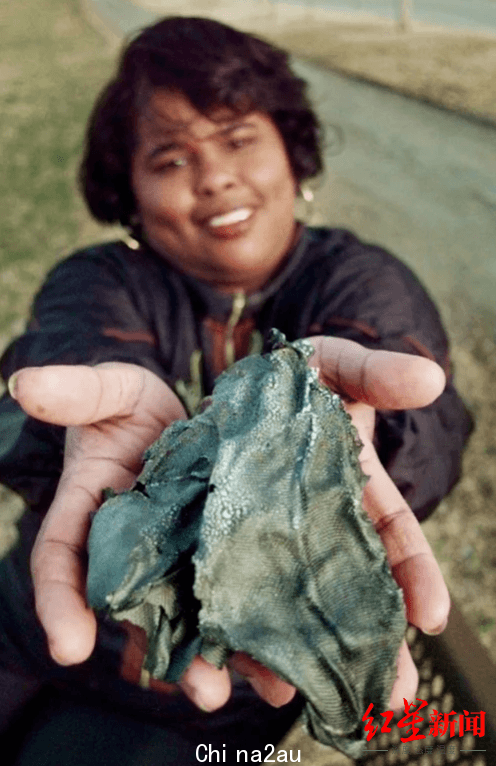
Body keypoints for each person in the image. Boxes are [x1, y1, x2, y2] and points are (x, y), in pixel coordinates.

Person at [0, 16, 472, 764]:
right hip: (22, 638)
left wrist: (359, 442)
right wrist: (73, 428)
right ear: (131, 192)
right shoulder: (100, 281)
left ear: (291, 149)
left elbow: (417, 400)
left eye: (238, 137)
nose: (214, 176)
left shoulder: (360, 279)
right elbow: (74, 356)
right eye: (170, 157)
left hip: (217, 705)